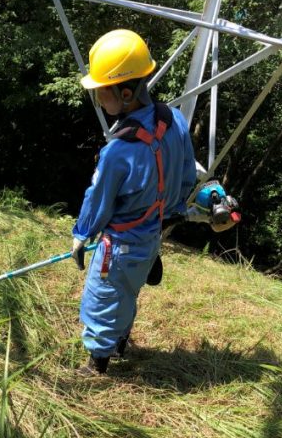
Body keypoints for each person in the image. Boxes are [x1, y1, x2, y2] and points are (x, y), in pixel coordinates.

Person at [71, 29, 238, 376]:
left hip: (119, 243)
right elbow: (184, 174)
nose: (99, 99)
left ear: (126, 93)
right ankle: (118, 343)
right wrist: (173, 210)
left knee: (103, 296)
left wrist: (82, 233)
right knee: (128, 293)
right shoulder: (172, 119)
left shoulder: (118, 151)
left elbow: (98, 198)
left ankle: (96, 365)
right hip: (150, 236)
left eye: (102, 91)